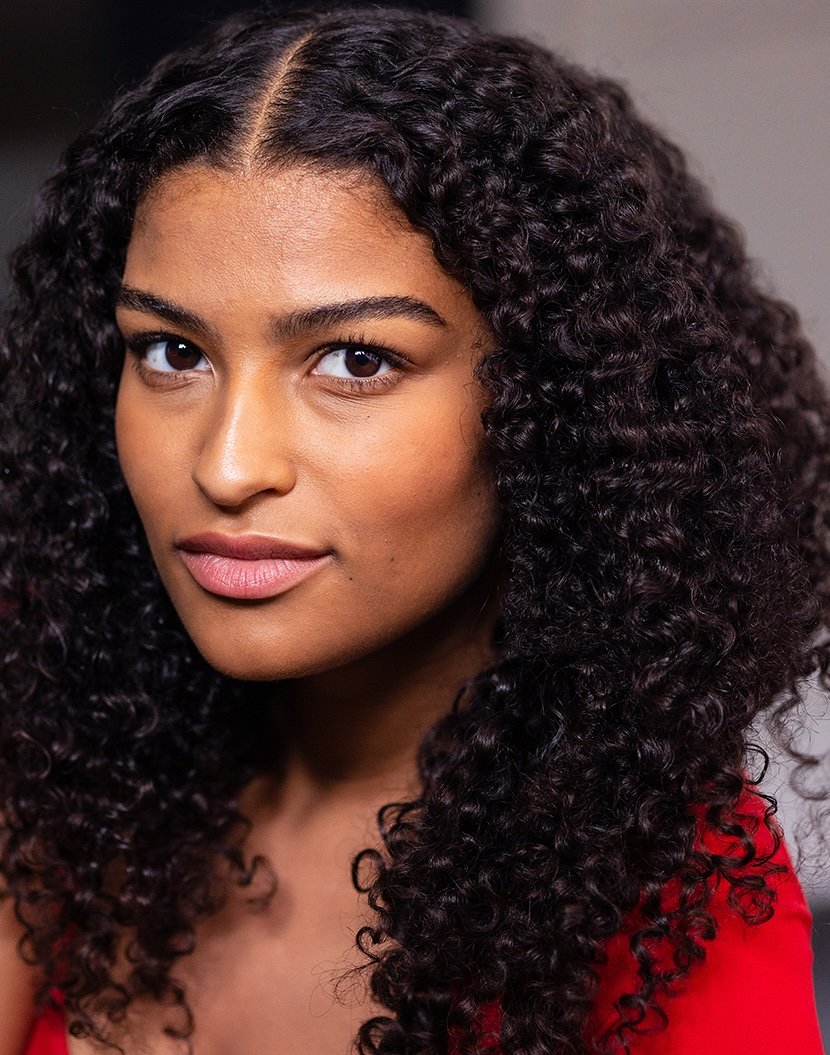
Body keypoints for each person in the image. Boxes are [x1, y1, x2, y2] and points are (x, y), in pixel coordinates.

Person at [0, 5, 827, 1054]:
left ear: (546, 403)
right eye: (170, 351)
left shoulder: (660, 901)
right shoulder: (59, 732)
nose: (225, 463)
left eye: (354, 359)